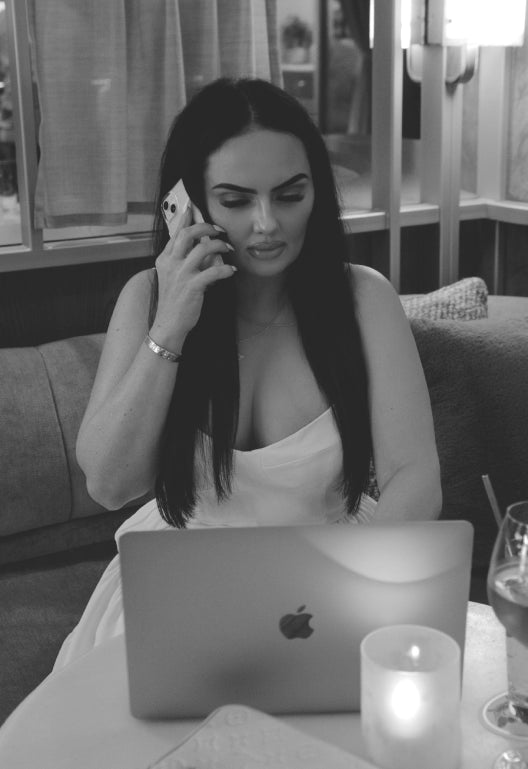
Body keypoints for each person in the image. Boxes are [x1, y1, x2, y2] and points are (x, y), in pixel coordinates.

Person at [54, 77, 441, 669]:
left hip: (331, 581)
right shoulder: (148, 298)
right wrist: (172, 325)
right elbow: (108, 484)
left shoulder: (364, 299)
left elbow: (415, 476)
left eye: (290, 194)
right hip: (181, 586)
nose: (267, 223)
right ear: (188, 204)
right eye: (235, 201)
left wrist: (350, 585)